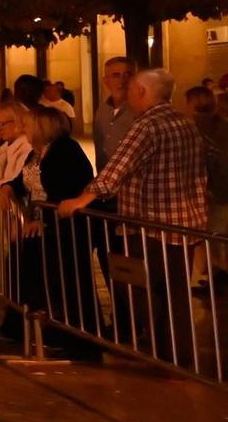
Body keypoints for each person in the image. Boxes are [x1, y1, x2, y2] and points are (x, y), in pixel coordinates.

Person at [57, 67, 209, 367]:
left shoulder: (146, 125)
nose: (127, 94)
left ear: (142, 92)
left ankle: (165, 356)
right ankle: (179, 358)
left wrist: (81, 200)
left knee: (144, 291)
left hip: (150, 225)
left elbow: (115, 171)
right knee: (176, 296)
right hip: (184, 223)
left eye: (131, 89)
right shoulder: (184, 121)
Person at [4, 105, 97, 360]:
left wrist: (42, 219)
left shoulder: (65, 151)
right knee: (33, 274)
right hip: (42, 226)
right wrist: (8, 188)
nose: (24, 128)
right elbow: (25, 181)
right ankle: (38, 328)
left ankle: (74, 337)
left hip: (63, 229)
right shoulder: (37, 153)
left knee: (65, 281)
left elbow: (64, 190)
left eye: (29, 123)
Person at [185, 86, 228, 237]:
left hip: (207, 192)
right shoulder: (223, 125)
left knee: (206, 240)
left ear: (191, 103)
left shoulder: (190, 127)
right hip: (223, 192)